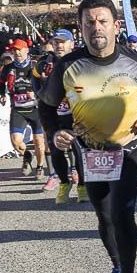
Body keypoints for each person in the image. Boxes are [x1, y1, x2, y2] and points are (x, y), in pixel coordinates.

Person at [39, 0, 137, 273]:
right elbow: (46, 105)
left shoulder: (135, 59)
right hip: (91, 153)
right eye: (89, 22)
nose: (95, 28)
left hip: (130, 148)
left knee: (123, 211)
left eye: (102, 21)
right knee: (105, 216)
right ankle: (116, 266)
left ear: (115, 25)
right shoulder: (67, 65)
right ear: (81, 28)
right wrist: (55, 131)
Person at [41, 29, 84, 202]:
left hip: (75, 113)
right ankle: (64, 183)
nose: (59, 45)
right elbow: (36, 86)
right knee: (55, 150)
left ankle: (82, 185)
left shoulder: (80, 62)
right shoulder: (44, 64)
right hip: (54, 113)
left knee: (78, 149)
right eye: (56, 42)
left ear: (71, 44)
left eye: (63, 42)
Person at [0, 39, 46, 177]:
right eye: (14, 50)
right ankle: (27, 155)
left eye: (19, 49)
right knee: (16, 141)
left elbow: (46, 84)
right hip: (18, 109)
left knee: (38, 141)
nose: (17, 52)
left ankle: (40, 166)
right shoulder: (9, 68)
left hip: (36, 108)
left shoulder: (35, 65)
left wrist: (37, 94)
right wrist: (2, 94)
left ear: (26, 50)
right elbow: (1, 82)